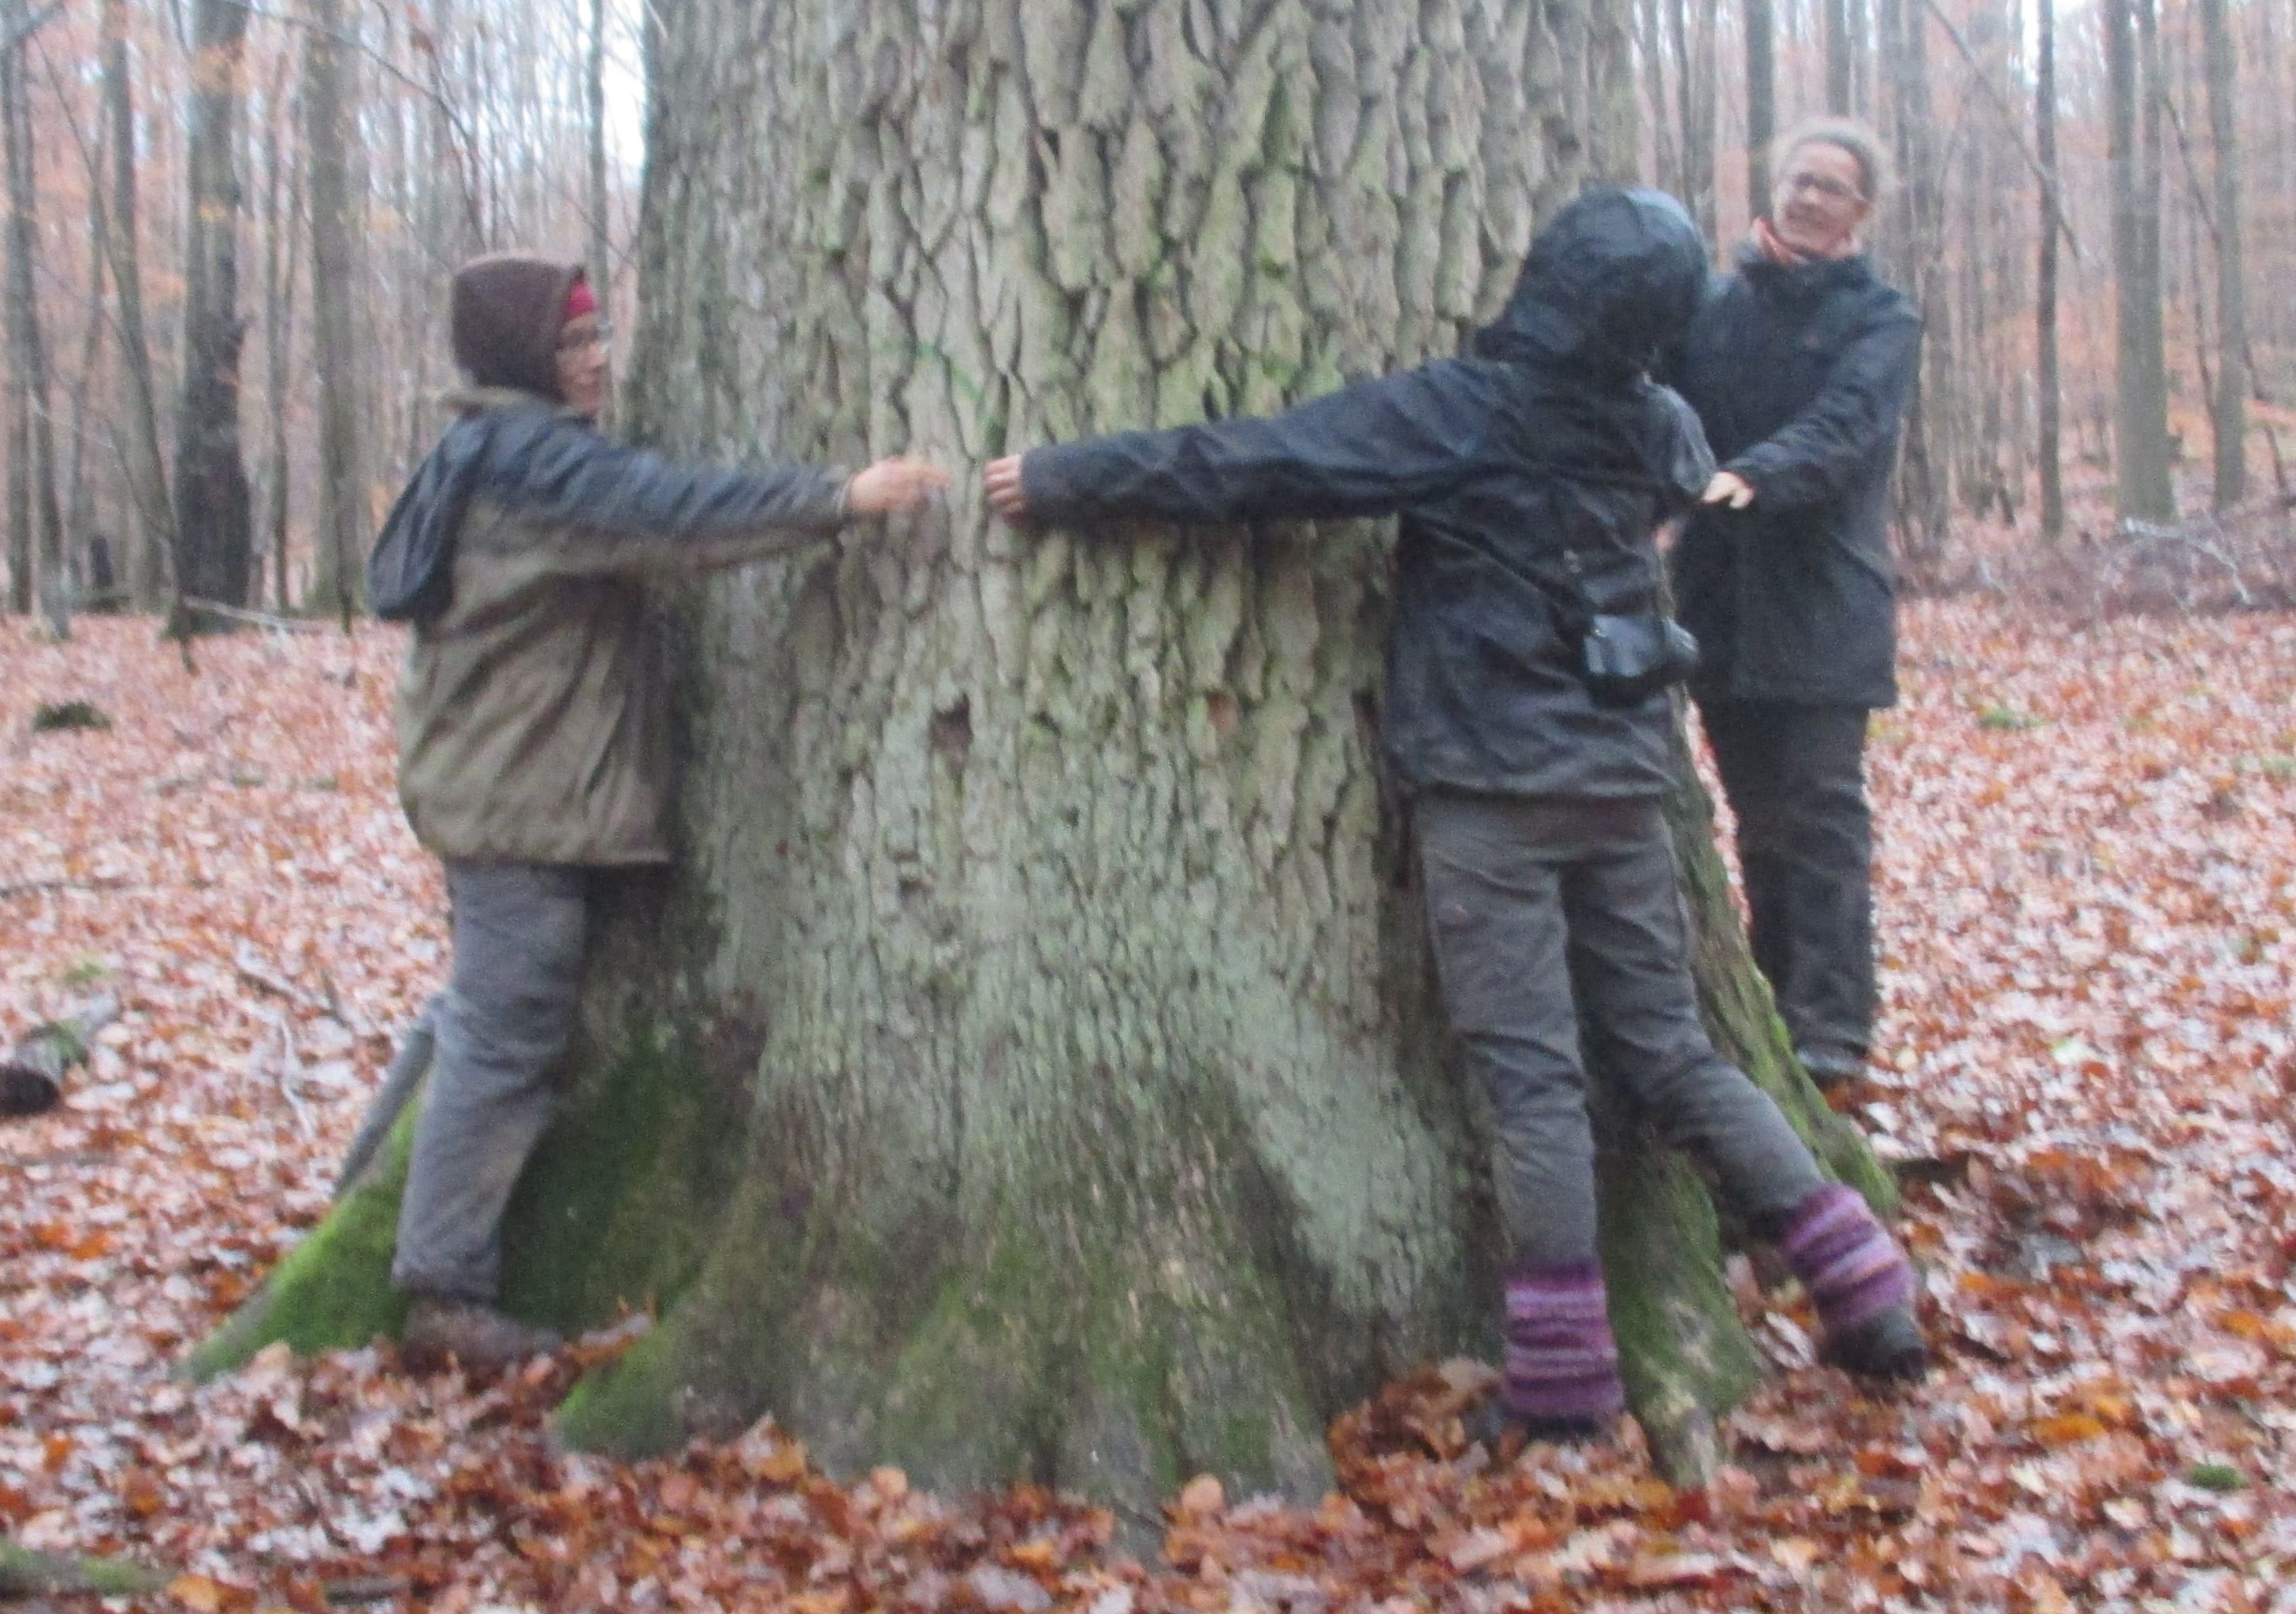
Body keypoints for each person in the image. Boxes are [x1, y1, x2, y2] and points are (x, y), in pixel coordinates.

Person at [982, 189, 1924, 1434]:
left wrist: (1067, 475)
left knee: (1535, 1085)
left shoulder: (1462, 412)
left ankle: (1567, 1386)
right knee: (1672, 1056)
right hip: (1623, 783)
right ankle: (1868, 1291)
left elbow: (1263, 463)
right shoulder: (1662, 424)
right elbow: (1680, 480)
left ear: (1547, 282)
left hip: (1492, 788)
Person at [367, 252, 947, 1364]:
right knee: (503, 1026)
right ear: (525, 359)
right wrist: (837, 498)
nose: (595, 361)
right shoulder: (535, 464)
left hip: (500, 787)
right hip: (512, 800)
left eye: (597, 339)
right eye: (572, 344)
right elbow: (678, 516)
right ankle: (440, 1289)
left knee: (474, 1014)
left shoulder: (491, 448)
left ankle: (368, 1195)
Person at [1660, 121, 1923, 1100]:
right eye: (1800, 180)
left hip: (1822, 608)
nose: (1812, 198)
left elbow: (1848, 428)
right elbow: (1662, 406)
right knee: (1755, 820)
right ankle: (1773, 1009)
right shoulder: (1716, 309)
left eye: (1835, 188)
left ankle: (1834, 1030)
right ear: (1775, 188)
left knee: (1821, 819)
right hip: (1720, 607)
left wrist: (1747, 477)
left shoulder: (1882, 317)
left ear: (1862, 211)